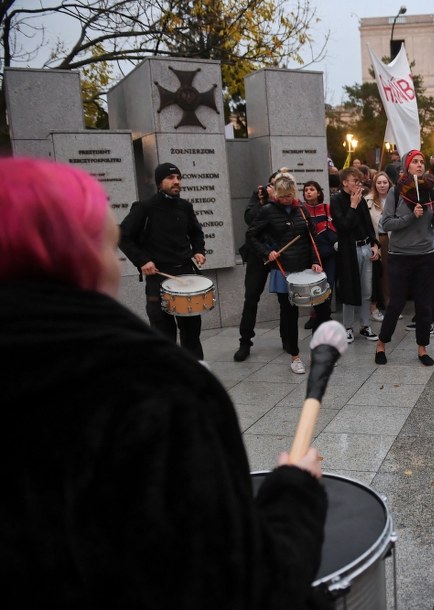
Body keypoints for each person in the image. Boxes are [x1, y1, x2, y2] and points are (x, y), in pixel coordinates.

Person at [0, 157, 328, 607]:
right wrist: (294, 490)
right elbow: (244, 580)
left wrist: (196, 250)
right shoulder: (156, 394)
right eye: (106, 242)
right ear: (87, 255)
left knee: (186, 336)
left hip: (183, 273)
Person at [119, 162, 207, 361]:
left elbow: (195, 232)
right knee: (163, 332)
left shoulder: (185, 206)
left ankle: (195, 373)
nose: (176, 182)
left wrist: (199, 250)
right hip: (158, 276)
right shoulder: (145, 207)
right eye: (170, 178)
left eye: (178, 177)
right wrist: (143, 261)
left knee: (191, 331)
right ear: (160, 183)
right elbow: (123, 236)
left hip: (185, 273)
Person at [246, 172, 329, 373]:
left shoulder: (301, 209)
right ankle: (295, 356)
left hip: (306, 268)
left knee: (323, 310)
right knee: (289, 315)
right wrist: (267, 252)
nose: (285, 200)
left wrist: (316, 261)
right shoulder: (267, 210)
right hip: (283, 270)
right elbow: (251, 235)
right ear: (275, 194)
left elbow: (312, 238)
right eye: (282, 196)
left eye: (289, 196)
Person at [375, 149, 434, 367]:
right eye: (414, 161)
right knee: (396, 303)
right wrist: (409, 216)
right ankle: (381, 343)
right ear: (407, 165)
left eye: (421, 161)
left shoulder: (430, 191)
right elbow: (385, 225)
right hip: (400, 256)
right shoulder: (397, 192)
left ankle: (422, 348)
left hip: (425, 256)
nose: (419, 164)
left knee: (424, 305)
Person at [331, 167, 380, 344]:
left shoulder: (361, 199)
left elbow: (367, 224)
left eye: (359, 181)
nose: (358, 184)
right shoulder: (337, 200)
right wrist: (352, 205)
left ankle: (365, 325)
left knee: (367, 290)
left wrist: (375, 243)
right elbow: (343, 226)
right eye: (354, 181)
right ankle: (347, 327)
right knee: (349, 289)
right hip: (348, 251)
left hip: (365, 247)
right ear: (345, 182)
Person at [235, 170, 278, 361]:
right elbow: (250, 220)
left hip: (279, 254)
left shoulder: (286, 199)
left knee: (286, 300)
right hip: (257, 256)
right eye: (273, 184)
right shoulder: (259, 196)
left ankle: (287, 339)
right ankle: (245, 342)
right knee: (251, 298)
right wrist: (264, 202)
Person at [301, 180, 337, 331]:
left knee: (328, 285)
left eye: (312, 189)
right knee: (314, 286)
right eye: (306, 190)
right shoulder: (301, 210)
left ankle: (325, 316)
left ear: (319, 193)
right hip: (312, 255)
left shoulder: (327, 208)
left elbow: (335, 227)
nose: (308, 192)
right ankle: (314, 316)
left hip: (329, 253)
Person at [366, 172, 391, 321]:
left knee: (389, 272)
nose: (382, 185)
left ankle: (389, 302)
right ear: (375, 185)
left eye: (385, 182)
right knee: (375, 273)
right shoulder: (367, 200)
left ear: (389, 184)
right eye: (379, 183)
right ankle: (375, 304)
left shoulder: (395, 199)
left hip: (391, 239)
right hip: (374, 239)